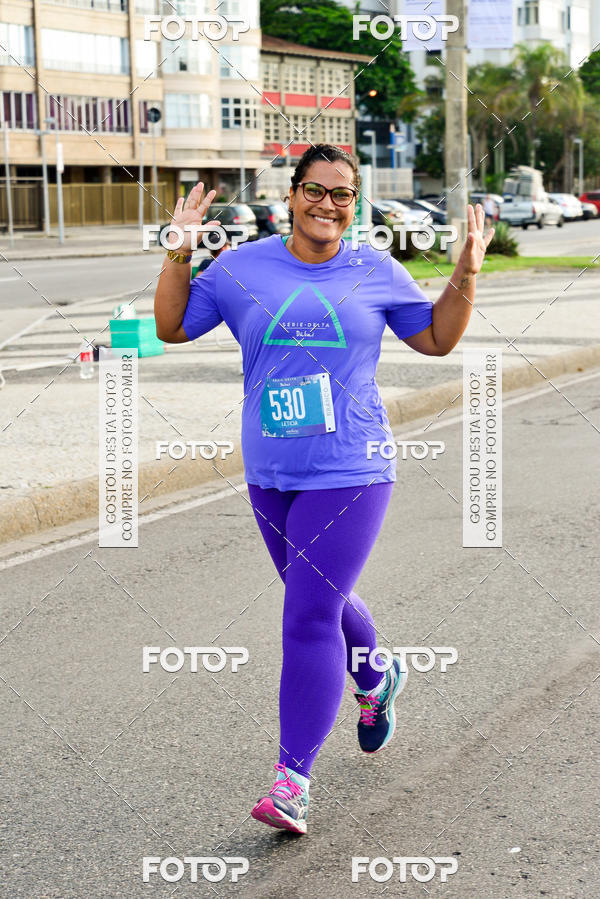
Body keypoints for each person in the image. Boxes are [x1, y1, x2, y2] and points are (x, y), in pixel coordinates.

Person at [154, 144, 494, 836]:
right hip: (271, 470)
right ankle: (378, 675)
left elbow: (435, 340)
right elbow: (172, 327)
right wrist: (179, 251)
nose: (328, 204)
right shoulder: (242, 268)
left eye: (342, 194)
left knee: (307, 615)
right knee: (320, 598)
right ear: (292, 196)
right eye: (315, 190)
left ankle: (292, 782)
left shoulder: (375, 269)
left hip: (352, 467)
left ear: (354, 203)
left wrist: (465, 274)